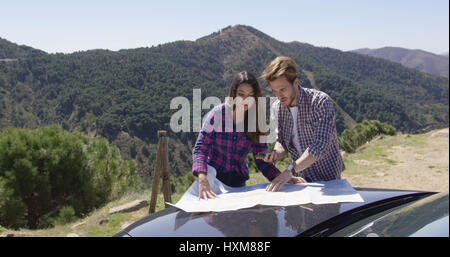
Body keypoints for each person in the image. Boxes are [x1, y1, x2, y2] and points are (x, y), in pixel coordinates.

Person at [192, 71, 296, 199]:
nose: (245, 100)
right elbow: (200, 148)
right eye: (241, 94)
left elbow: (261, 157)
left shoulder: (256, 119)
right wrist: (202, 177)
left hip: (238, 183)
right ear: (234, 93)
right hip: (212, 181)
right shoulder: (218, 114)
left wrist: (279, 177)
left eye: (250, 95)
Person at [259, 56, 345, 192]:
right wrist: (275, 154)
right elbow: (282, 141)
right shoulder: (277, 107)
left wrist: (290, 170)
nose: (279, 96)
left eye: (282, 89)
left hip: (327, 181)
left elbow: (320, 145)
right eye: (274, 91)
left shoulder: (320, 102)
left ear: (295, 82)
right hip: (300, 182)